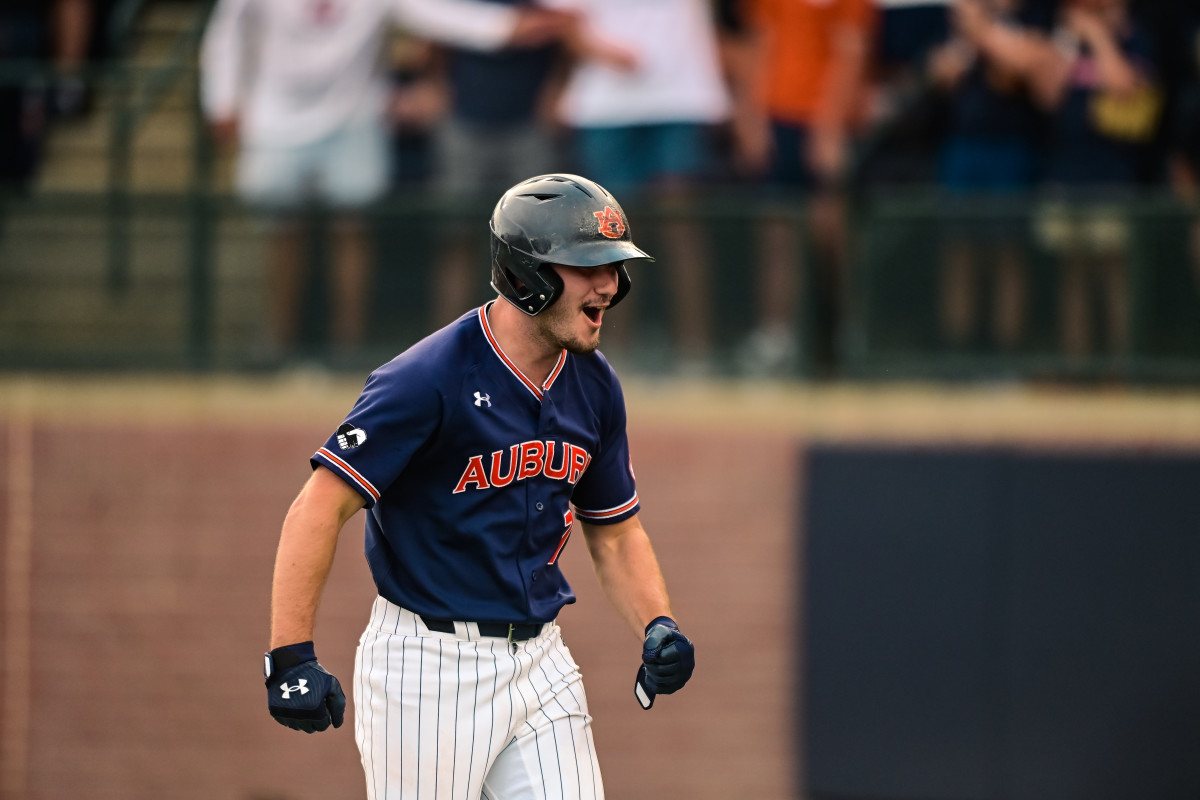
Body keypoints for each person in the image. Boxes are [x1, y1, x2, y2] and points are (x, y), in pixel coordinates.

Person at [262, 173, 696, 799]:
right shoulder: (425, 377)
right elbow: (318, 507)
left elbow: (616, 529)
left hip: (541, 660)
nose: (609, 284)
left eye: (614, 266)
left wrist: (658, 624)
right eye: (588, 265)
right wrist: (289, 655)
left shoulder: (595, 383)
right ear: (527, 275)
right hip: (428, 668)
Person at [200, 0, 571, 366]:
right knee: (282, 231)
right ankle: (277, 346)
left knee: (353, 228)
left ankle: (349, 349)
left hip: (354, 117)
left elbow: (438, 14)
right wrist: (221, 100)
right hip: (274, 118)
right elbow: (226, 34)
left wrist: (510, 26)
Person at [957, 0, 1162, 361]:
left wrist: (1099, 37)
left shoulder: (1136, 41)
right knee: (1073, 279)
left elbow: (1125, 86)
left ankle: (1123, 367)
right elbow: (1048, 94)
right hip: (1067, 173)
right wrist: (1065, 44)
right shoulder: (1068, 42)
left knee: (1114, 276)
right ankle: (1077, 366)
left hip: (1114, 177)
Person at [539, 0, 732, 371]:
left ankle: (695, 352)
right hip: (607, 103)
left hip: (681, 98)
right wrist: (594, 52)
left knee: (681, 224)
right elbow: (562, 20)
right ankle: (608, 352)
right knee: (610, 233)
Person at [732, 0, 876, 376]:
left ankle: (848, 332)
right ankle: (777, 336)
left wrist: (829, 125)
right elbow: (762, 41)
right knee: (776, 231)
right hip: (778, 116)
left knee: (832, 228)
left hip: (828, 121)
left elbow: (852, 50)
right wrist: (752, 116)